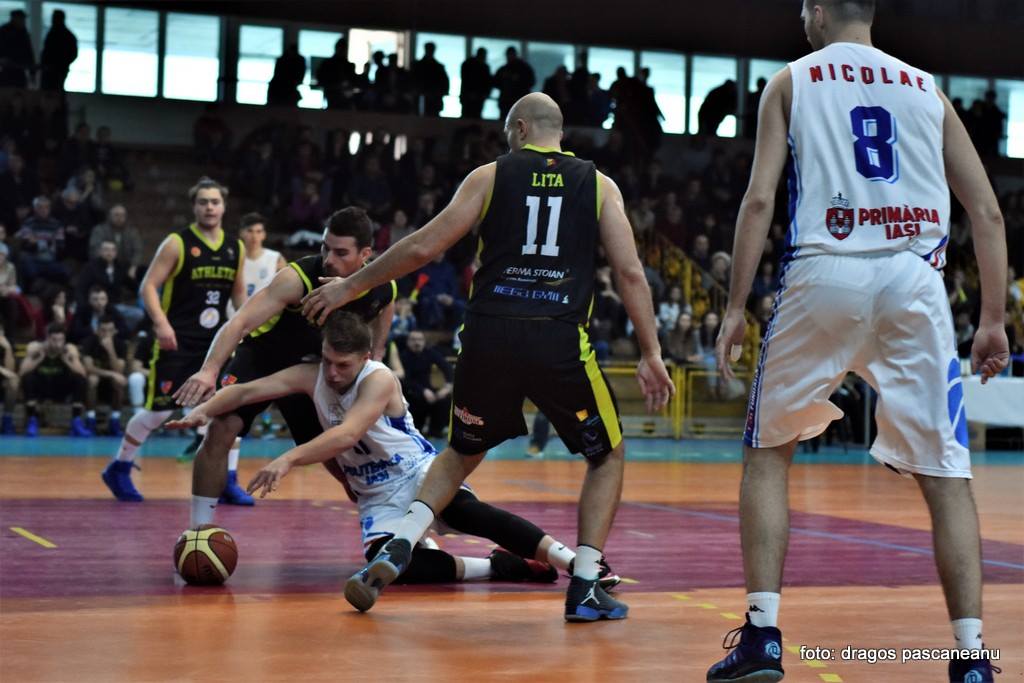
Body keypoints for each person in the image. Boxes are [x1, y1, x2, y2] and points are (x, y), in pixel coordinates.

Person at [708, 3, 1009, 682]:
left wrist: (734, 307)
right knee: (947, 476)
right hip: (914, 280)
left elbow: (758, 202)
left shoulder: (791, 80)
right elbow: (987, 211)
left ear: (818, 11)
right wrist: (992, 319)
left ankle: (762, 638)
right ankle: (969, 657)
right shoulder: (926, 88)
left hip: (825, 269)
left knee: (768, 453)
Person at [302, 92, 674, 620]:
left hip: (487, 335)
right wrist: (651, 350)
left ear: (520, 129)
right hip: (557, 336)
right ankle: (587, 584)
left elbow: (423, 246)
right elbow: (630, 272)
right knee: (606, 456)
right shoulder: (599, 185)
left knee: (460, 451)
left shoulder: (490, 176)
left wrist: (350, 286)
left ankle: (402, 541)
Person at [169, 312, 620, 594]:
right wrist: (203, 411)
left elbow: (347, 434)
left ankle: (580, 564)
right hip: (376, 494)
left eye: (343, 365)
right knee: (392, 567)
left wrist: (287, 458)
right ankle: (497, 567)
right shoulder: (313, 376)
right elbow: (248, 390)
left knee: (466, 512)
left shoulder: (379, 378)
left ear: (365, 356)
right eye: (328, 361)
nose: (333, 373)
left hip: (416, 472)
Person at [171, 207, 396, 522]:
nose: (329, 259)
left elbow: (384, 308)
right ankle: (198, 531)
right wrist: (209, 370)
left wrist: (377, 355)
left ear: (365, 254)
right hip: (264, 358)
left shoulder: (382, 285)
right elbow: (239, 323)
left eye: (341, 252)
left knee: (343, 462)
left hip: (311, 372)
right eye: (325, 248)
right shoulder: (297, 277)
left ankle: (392, 528)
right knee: (222, 428)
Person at [101, 177, 245, 503]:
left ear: (223, 206)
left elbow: (238, 296)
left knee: (229, 411)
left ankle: (228, 479)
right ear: (194, 207)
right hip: (177, 342)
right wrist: (161, 323)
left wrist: (244, 328)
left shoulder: (234, 248)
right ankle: (119, 467)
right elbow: (148, 286)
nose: (209, 207)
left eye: (215, 201)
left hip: (216, 345)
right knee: (158, 413)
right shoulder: (177, 243)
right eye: (203, 202)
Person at [19, 323, 91, 437]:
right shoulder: (35, 347)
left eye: (61, 340)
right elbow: (22, 372)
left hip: (60, 388)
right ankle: (32, 420)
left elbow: (83, 373)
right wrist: (39, 359)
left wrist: (67, 361)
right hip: (41, 388)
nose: (58, 343)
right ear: (47, 338)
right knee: (28, 378)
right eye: (54, 340)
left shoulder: (69, 349)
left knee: (80, 380)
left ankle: (76, 421)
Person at [399, 330, 452, 437]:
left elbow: (446, 367)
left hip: (428, 389)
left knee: (444, 399)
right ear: (408, 342)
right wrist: (423, 391)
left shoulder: (429, 352)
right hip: (409, 391)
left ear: (424, 341)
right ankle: (417, 429)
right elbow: (406, 380)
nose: (417, 342)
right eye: (413, 340)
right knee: (418, 400)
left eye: (420, 339)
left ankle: (435, 431)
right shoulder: (403, 356)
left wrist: (448, 386)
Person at [81, 314, 127, 436]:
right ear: (96, 330)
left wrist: (110, 349)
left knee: (119, 381)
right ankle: (90, 419)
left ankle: (115, 420)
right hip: (95, 384)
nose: (107, 334)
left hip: (111, 386)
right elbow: (88, 368)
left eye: (110, 330)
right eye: (103, 330)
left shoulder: (120, 344)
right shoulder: (89, 342)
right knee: (92, 379)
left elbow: (119, 370)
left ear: (115, 331)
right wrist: (111, 374)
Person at [39, 9, 78, 91]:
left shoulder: (63, 35)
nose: (53, 20)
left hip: (57, 70)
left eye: (54, 18)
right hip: (52, 69)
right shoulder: (57, 34)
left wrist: (61, 64)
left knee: (54, 91)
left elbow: (73, 54)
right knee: (52, 91)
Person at [460, 48, 492, 120]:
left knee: (466, 117)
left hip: (469, 97)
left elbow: (465, 80)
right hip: (475, 97)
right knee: (474, 117)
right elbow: (488, 83)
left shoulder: (467, 65)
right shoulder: (484, 67)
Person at [0, 322, 16, 434]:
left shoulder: (7, 344)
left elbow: (10, 371)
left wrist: (8, 349)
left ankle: (7, 418)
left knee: (13, 382)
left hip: (2, 380)